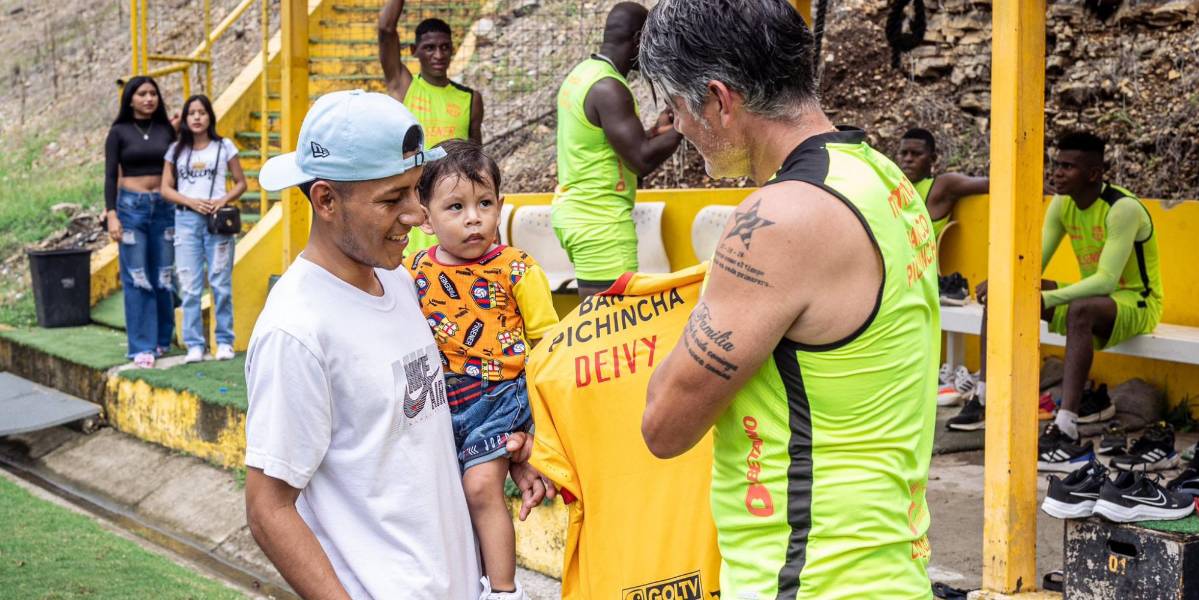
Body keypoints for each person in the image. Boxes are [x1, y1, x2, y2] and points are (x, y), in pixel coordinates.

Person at [638, 1, 939, 598]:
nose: (674, 127)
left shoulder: (781, 218)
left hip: (808, 579)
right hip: (887, 570)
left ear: (720, 101)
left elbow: (665, 426)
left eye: (675, 108)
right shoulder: (882, 178)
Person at [243, 90, 550, 599]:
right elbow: (268, 509)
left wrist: (505, 445)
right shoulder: (296, 331)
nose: (415, 213)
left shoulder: (403, 282)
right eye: (392, 198)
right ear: (325, 200)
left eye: (415, 191)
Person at [948, 132, 1163, 474]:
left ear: (1094, 173)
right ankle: (984, 398)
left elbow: (1107, 281)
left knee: (1080, 309)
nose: (1057, 173)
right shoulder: (1062, 205)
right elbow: (1032, 265)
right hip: (1092, 297)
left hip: (1136, 302)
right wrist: (1004, 282)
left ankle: (1065, 426)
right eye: (1056, 164)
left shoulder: (1123, 209)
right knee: (1008, 294)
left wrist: (1046, 297)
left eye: (1067, 167)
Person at [405, 139, 558, 599]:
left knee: (479, 488)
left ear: (501, 207)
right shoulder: (413, 272)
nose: (474, 217)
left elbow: (548, 346)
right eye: (456, 206)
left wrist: (542, 434)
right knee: (449, 501)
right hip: (442, 402)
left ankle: (506, 592)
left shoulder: (516, 268)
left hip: (501, 397)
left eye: (484, 203)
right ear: (426, 219)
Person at [552, 2, 683, 298]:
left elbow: (611, 144)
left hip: (579, 215)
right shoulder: (609, 87)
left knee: (602, 327)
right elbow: (640, 159)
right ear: (639, 40)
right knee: (610, 330)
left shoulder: (584, 74)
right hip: (601, 222)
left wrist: (654, 131)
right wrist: (685, 125)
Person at [379, 0, 484, 255]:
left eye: (444, 47)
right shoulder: (404, 86)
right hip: (413, 201)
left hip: (452, 208)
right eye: (429, 48)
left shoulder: (470, 99)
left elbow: (476, 161)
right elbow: (385, 30)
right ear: (415, 50)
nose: (438, 55)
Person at [161, 94, 247, 363]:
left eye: (202, 112)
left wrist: (223, 199)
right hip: (186, 220)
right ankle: (194, 344)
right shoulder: (175, 151)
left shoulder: (224, 147)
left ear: (210, 116)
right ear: (185, 119)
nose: (197, 117)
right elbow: (165, 188)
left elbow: (241, 182)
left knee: (220, 282)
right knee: (190, 285)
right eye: (192, 113)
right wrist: (190, 201)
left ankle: (224, 341)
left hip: (217, 220)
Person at [105, 76, 178, 368]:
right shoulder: (119, 132)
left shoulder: (165, 130)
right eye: (142, 93)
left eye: (153, 93)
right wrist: (111, 213)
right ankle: (141, 346)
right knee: (137, 278)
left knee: (163, 276)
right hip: (131, 209)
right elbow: (110, 175)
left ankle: (162, 339)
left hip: (165, 209)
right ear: (130, 99)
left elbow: (178, 167)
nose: (149, 99)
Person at [896, 127, 989, 240]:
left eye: (916, 154)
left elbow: (989, 184)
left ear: (933, 159)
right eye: (903, 153)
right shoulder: (890, 188)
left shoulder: (941, 186)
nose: (908, 159)